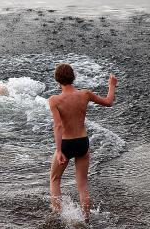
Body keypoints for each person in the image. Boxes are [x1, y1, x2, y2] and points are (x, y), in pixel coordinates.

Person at [49, 63, 117, 223]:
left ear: (57, 80)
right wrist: (111, 85)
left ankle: (57, 219)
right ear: (73, 77)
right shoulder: (85, 94)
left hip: (66, 143)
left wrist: (59, 151)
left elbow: (58, 125)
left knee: (55, 179)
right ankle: (85, 221)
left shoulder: (54, 100)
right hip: (82, 142)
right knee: (82, 184)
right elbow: (108, 102)